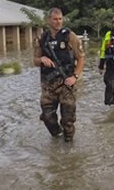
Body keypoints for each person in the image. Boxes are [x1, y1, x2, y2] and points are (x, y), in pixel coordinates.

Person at [33, 8, 85, 142]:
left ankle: (68, 147)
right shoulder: (42, 38)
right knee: (47, 116)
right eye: (55, 19)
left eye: (60, 19)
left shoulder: (69, 36)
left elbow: (81, 58)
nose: (58, 22)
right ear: (48, 20)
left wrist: (75, 77)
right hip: (48, 84)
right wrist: (41, 60)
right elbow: (34, 60)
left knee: (68, 119)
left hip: (66, 82)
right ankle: (56, 137)